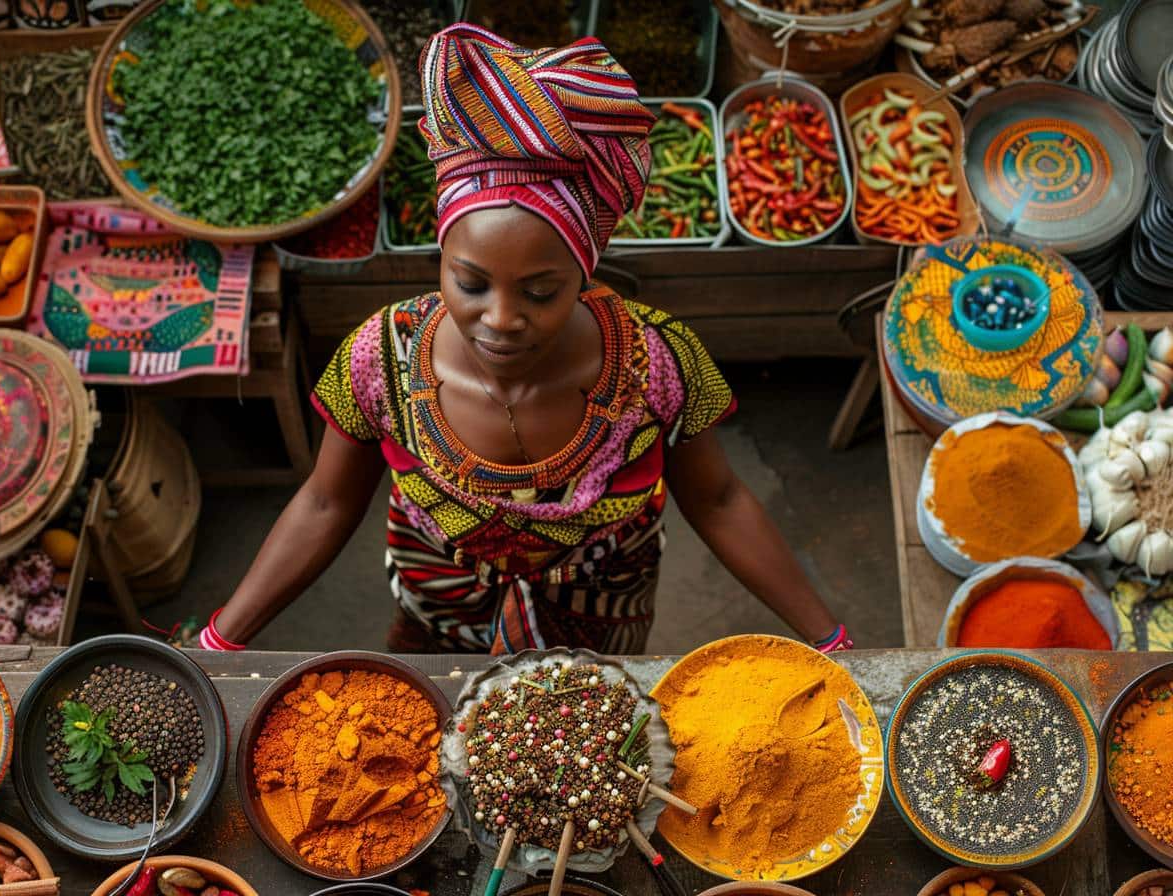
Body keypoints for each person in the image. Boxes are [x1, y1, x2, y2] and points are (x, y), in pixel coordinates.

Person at [199, 24, 852, 655]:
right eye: (471, 283)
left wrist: (830, 637)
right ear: (440, 255)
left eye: (541, 291)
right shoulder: (381, 360)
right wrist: (221, 637)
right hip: (442, 599)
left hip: (605, 607)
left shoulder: (658, 364)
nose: (502, 318)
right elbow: (322, 501)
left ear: (585, 270)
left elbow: (720, 498)